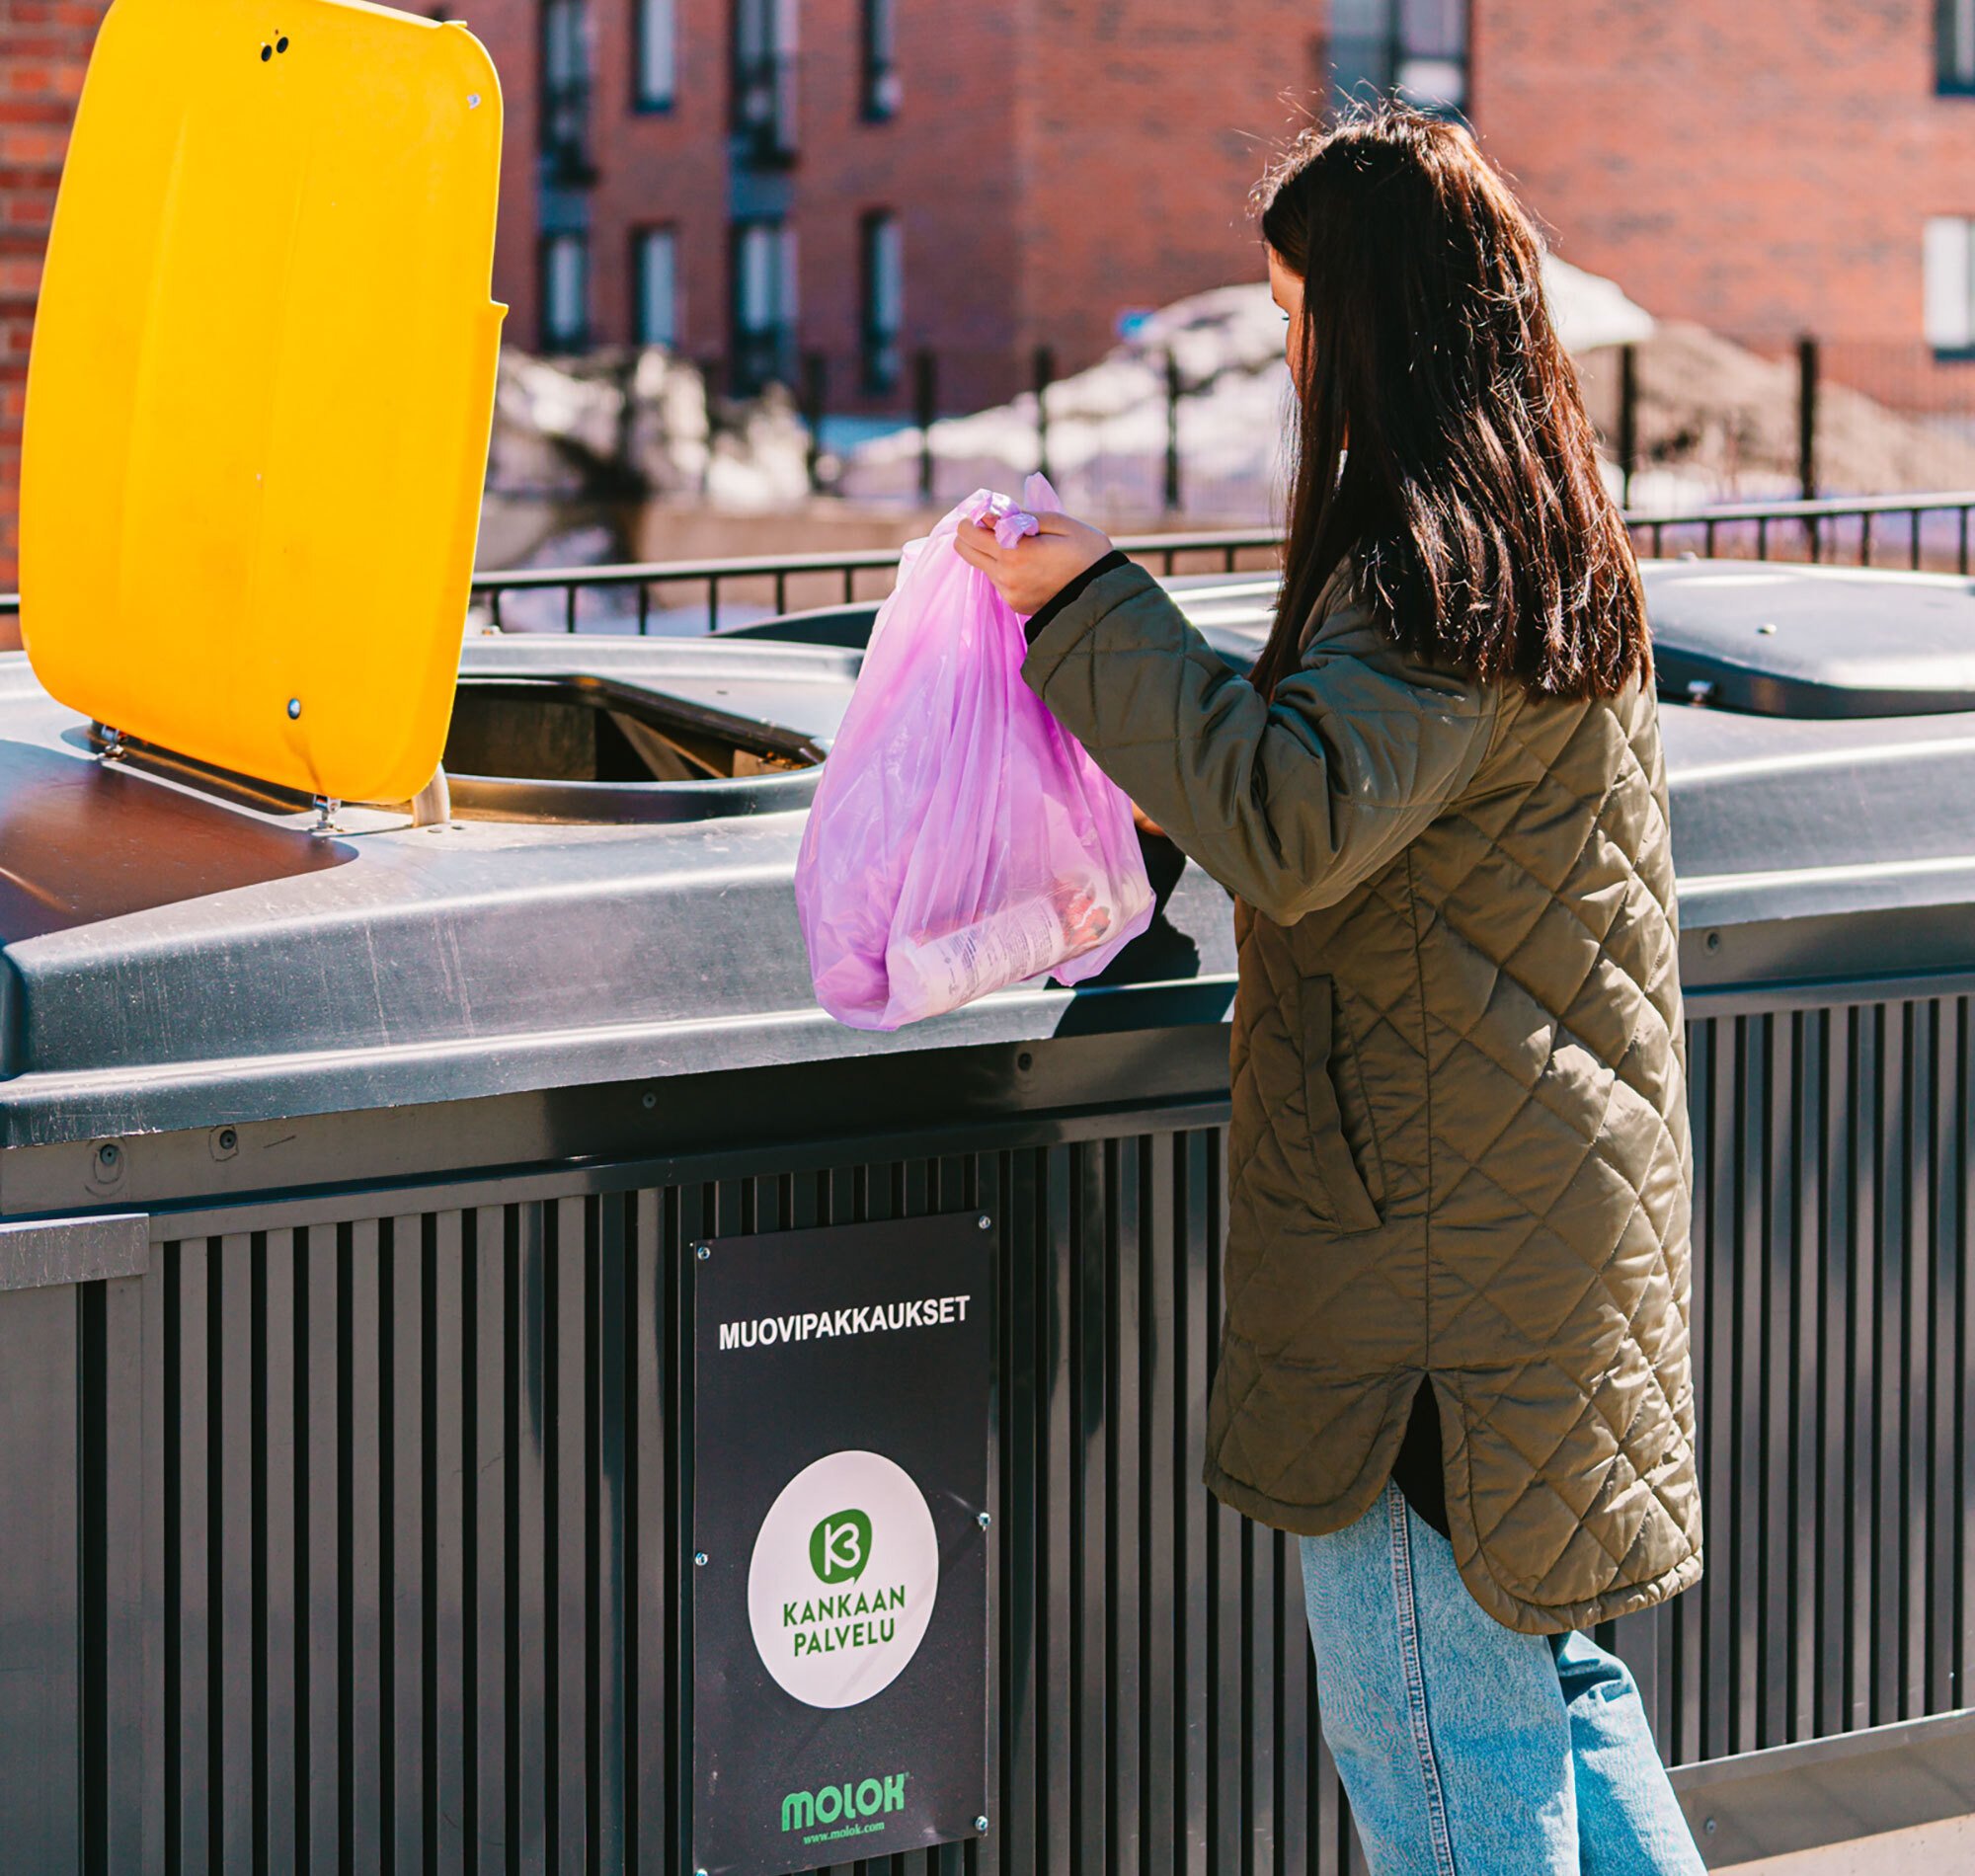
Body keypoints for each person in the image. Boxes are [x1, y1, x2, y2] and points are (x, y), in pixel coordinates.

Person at [956, 105, 1704, 1876]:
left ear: (1374, 319)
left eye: (1296, 309)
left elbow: (1293, 823)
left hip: (1427, 1278)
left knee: (1441, 1756)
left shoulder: (1427, 577)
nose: (1285, 349)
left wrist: (1090, 610)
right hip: (1522, 1227)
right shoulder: (1531, 545)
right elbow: (1348, 792)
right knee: (1551, 1694)